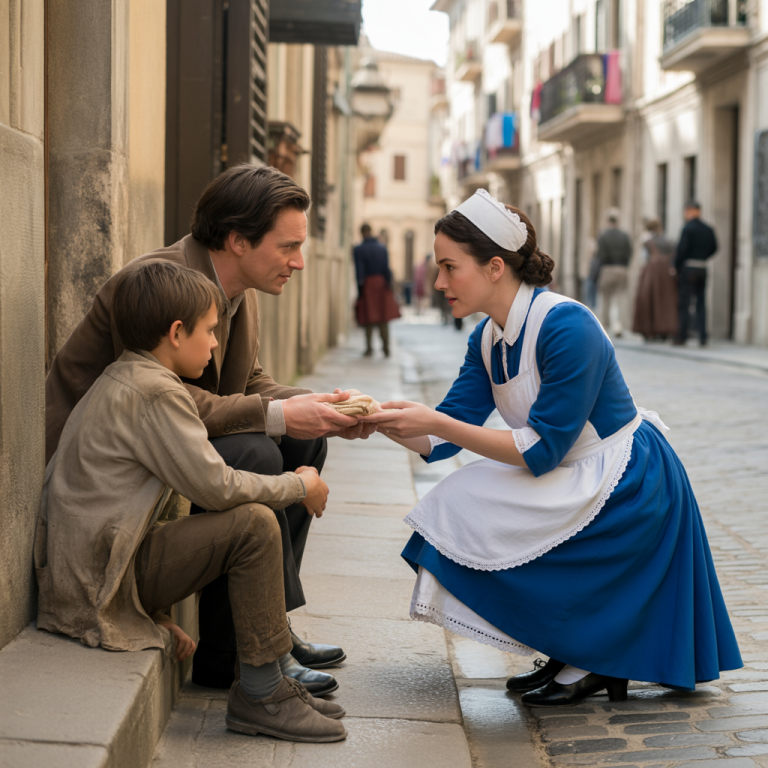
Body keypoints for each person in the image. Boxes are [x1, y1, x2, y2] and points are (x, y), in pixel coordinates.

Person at [360, 189, 741, 707]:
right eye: (439, 268)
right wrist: (374, 418)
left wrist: (435, 421)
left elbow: (541, 450)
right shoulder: (487, 338)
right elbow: (444, 434)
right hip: (571, 467)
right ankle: (569, 649)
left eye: (450, 267)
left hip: (628, 482)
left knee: (466, 501)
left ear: (495, 267)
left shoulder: (567, 325)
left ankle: (590, 656)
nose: (440, 281)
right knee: (454, 502)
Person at [45, 165, 373, 694]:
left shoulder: (241, 289)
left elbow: (250, 380)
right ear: (238, 239)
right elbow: (162, 399)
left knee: (305, 436)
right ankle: (237, 652)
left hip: (170, 443)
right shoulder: (160, 285)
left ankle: (267, 630)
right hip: (111, 482)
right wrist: (276, 416)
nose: (300, 261)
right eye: (288, 246)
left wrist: (320, 406)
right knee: (256, 452)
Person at [35, 262, 347, 742]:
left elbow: (127, 510)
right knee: (254, 526)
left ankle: (269, 677)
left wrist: (155, 616)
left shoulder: (131, 376)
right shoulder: (156, 393)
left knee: (250, 518)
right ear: (177, 333)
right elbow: (216, 487)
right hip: (98, 583)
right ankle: (262, 695)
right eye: (208, 330)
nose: (216, 342)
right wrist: (299, 485)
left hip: (95, 571)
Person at [674, 200, 718, 346]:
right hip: (702, 267)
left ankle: (682, 336)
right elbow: (714, 247)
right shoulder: (708, 228)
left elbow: (681, 250)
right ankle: (703, 336)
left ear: (689, 211)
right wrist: (703, 257)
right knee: (701, 303)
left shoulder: (687, 228)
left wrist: (675, 265)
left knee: (685, 303)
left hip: (688, 268)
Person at [353, 223, 400, 356]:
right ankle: (386, 347)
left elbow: (359, 271)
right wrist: (389, 286)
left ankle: (369, 348)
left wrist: (360, 291)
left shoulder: (359, 249)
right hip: (381, 284)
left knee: (368, 316)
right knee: (383, 317)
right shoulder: (381, 248)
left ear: (361, 233)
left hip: (368, 284)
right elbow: (387, 269)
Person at [632, 218, 678, 341]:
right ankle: (664, 329)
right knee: (665, 301)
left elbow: (644, 258)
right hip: (666, 272)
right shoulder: (668, 240)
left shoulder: (648, 242)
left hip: (652, 271)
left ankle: (650, 330)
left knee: (648, 299)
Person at [594, 210, 632, 337]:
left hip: (607, 268)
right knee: (621, 298)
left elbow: (599, 255)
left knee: (605, 299)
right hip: (622, 268)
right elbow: (629, 252)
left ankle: (604, 326)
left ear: (608, 221)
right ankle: (619, 327)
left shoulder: (603, 235)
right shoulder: (624, 235)